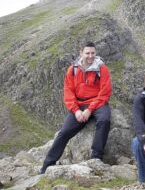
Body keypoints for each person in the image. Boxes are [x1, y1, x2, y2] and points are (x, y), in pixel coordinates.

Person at [40, 41, 112, 174]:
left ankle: (96, 157)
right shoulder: (73, 69)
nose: (90, 56)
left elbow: (105, 92)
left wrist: (90, 109)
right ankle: (46, 166)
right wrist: (76, 110)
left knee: (105, 120)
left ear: (96, 53)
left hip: (98, 103)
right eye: (87, 53)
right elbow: (68, 92)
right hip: (78, 104)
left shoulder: (102, 69)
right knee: (64, 133)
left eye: (93, 53)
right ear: (81, 53)